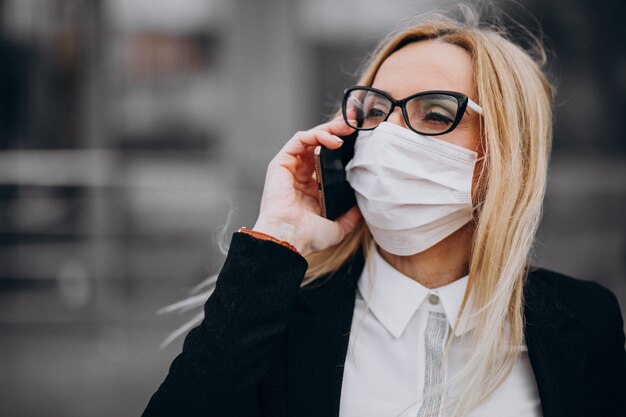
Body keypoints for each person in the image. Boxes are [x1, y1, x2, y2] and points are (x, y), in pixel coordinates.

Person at [141, 6, 625, 417]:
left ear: (507, 149)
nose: (386, 135)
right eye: (373, 111)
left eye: (434, 113)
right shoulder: (278, 316)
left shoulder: (583, 320)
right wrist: (278, 238)